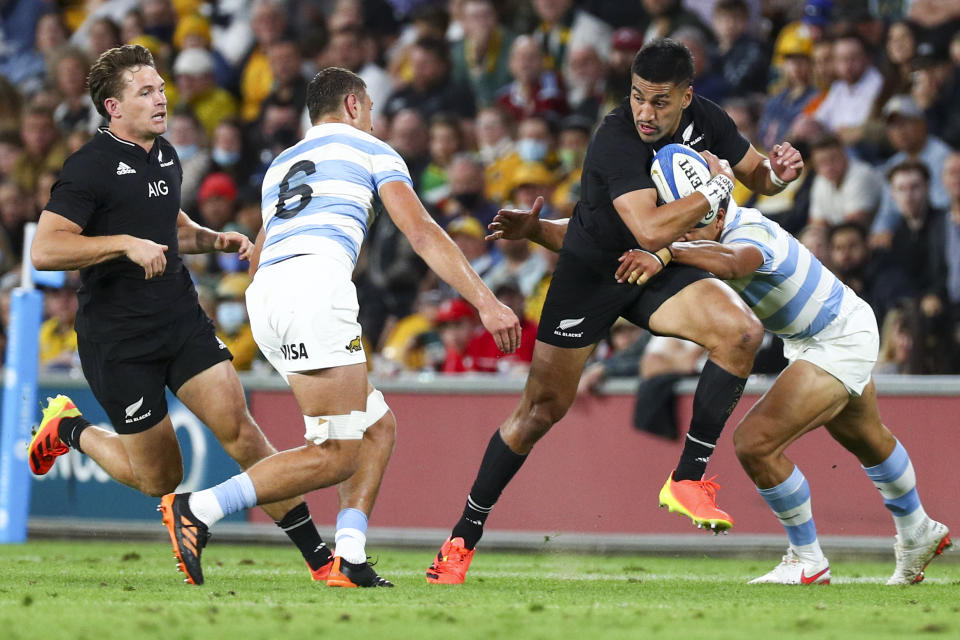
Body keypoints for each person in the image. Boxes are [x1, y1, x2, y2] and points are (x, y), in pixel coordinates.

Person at [425, 38, 802, 585]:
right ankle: (461, 539)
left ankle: (688, 478)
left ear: (687, 97)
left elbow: (757, 176)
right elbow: (649, 223)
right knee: (540, 412)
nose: (646, 112)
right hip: (591, 275)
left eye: (660, 101)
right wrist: (717, 187)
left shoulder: (709, 119)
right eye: (637, 97)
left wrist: (779, 172)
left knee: (741, 332)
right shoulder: (615, 139)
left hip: (655, 265)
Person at [159, 67, 521, 587]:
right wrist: (486, 302)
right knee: (337, 452)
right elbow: (420, 231)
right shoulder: (371, 150)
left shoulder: (280, 164)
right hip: (315, 287)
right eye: (371, 108)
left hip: (268, 296)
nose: (373, 119)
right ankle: (201, 508)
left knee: (377, 428)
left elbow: (259, 254)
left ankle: (348, 557)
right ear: (352, 106)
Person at [498, 190, 951, 586]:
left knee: (756, 444)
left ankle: (808, 560)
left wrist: (670, 251)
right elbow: (603, 242)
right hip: (829, 329)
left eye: (694, 227)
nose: (687, 235)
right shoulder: (706, 228)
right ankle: (918, 530)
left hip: (836, 338)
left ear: (716, 214)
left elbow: (736, 261)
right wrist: (537, 230)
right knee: (866, 437)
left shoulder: (750, 231)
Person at [28, 45, 334, 586]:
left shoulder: (164, 154)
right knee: (160, 477)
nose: (161, 99)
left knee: (241, 431)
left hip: (179, 320)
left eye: (162, 88)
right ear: (112, 107)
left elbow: (169, 226)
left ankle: (320, 559)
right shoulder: (88, 168)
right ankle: (70, 429)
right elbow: (46, 250)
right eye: (145, 92)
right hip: (119, 340)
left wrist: (212, 239)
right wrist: (123, 244)